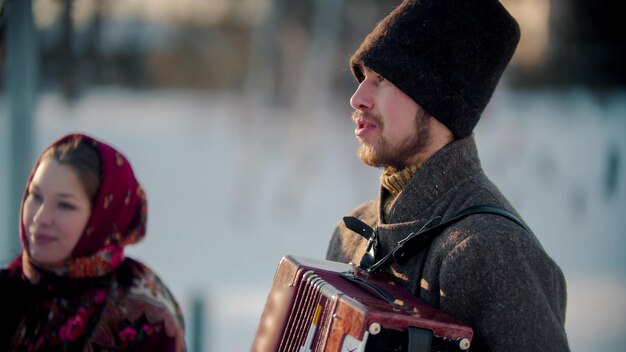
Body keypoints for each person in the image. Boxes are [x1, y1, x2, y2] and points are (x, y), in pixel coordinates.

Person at [326, 0, 570, 351]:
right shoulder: (352, 235)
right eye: (363, 77)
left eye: (382, 79)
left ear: (438, 100)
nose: (357, 98)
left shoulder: (495, 253)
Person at [0, 133, 186, 351]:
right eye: (36, 196)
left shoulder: (144, 318)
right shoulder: (7, 294)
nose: (41, 217)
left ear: (103, 218)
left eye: (65, 205)